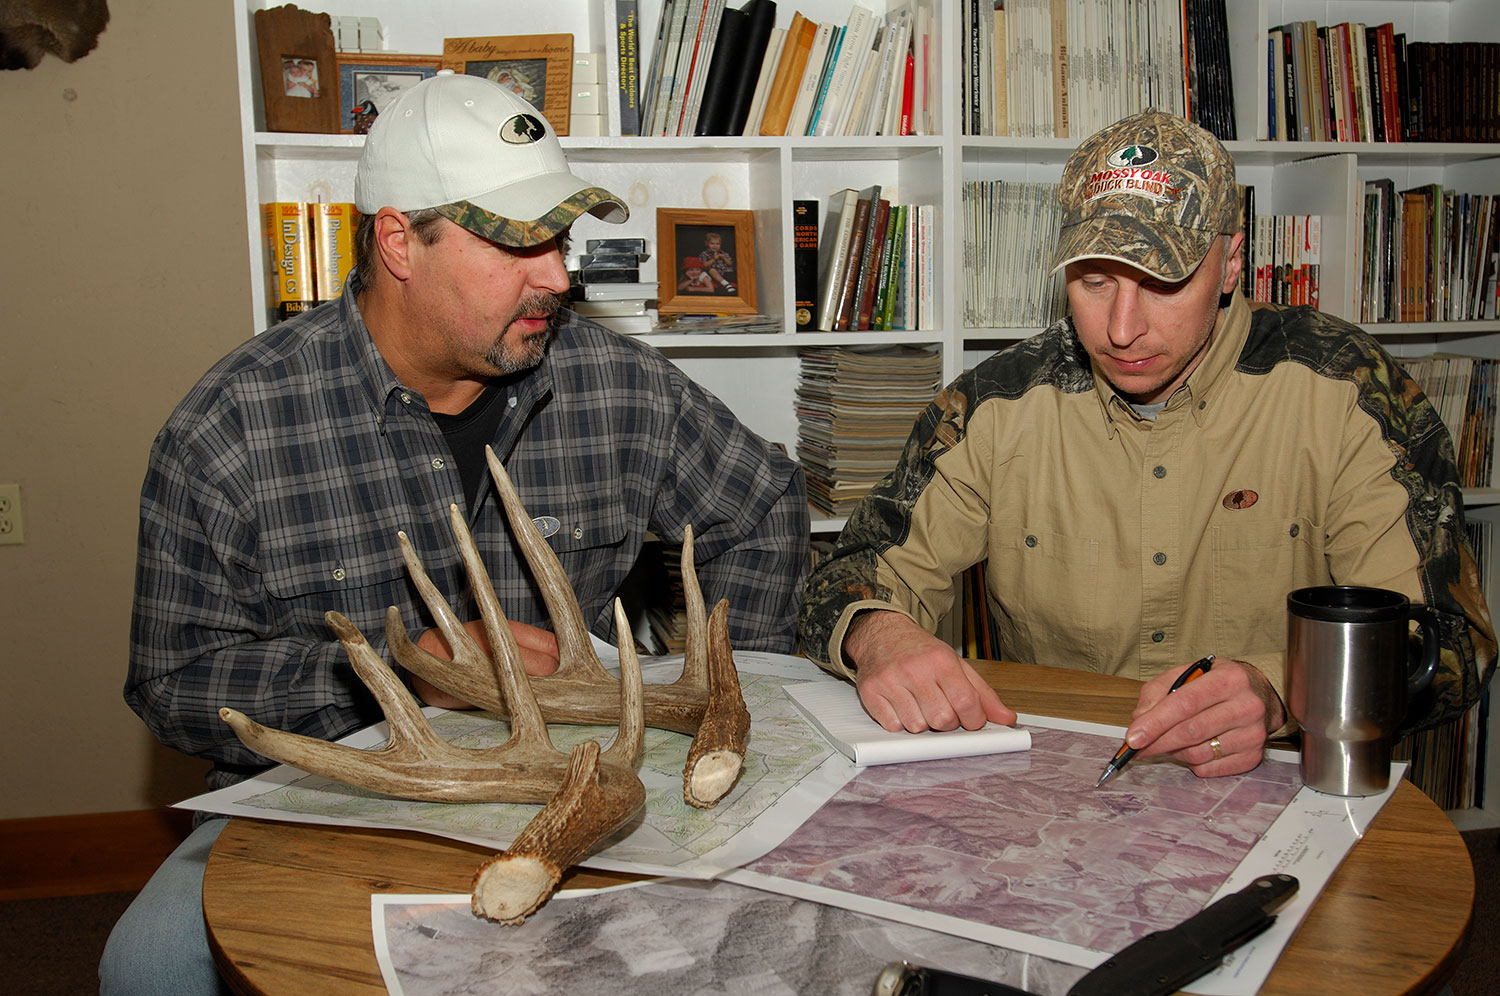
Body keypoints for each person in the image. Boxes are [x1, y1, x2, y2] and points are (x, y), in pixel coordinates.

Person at [102, 72, 808, 995]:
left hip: (578, 784)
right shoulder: (231, 429)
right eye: (517, 243)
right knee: (146, 966)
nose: (558, 274)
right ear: (399, 241)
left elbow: (763, 505)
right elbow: (174, 681)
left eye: (558, 237)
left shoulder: (621, 386)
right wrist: (397, 670)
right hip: (343, 800)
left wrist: (723, 705)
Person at [799, 108, 1496, 782]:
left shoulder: (1348, 393)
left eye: (1162, 282)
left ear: (1230, 263)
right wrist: (883, 636)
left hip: (1290, 778)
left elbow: (1447, 641)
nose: (1121, 328)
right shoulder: (995, 405)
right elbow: (851, 570)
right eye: (1094, 280)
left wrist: (1283, 689)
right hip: (1062, 788)